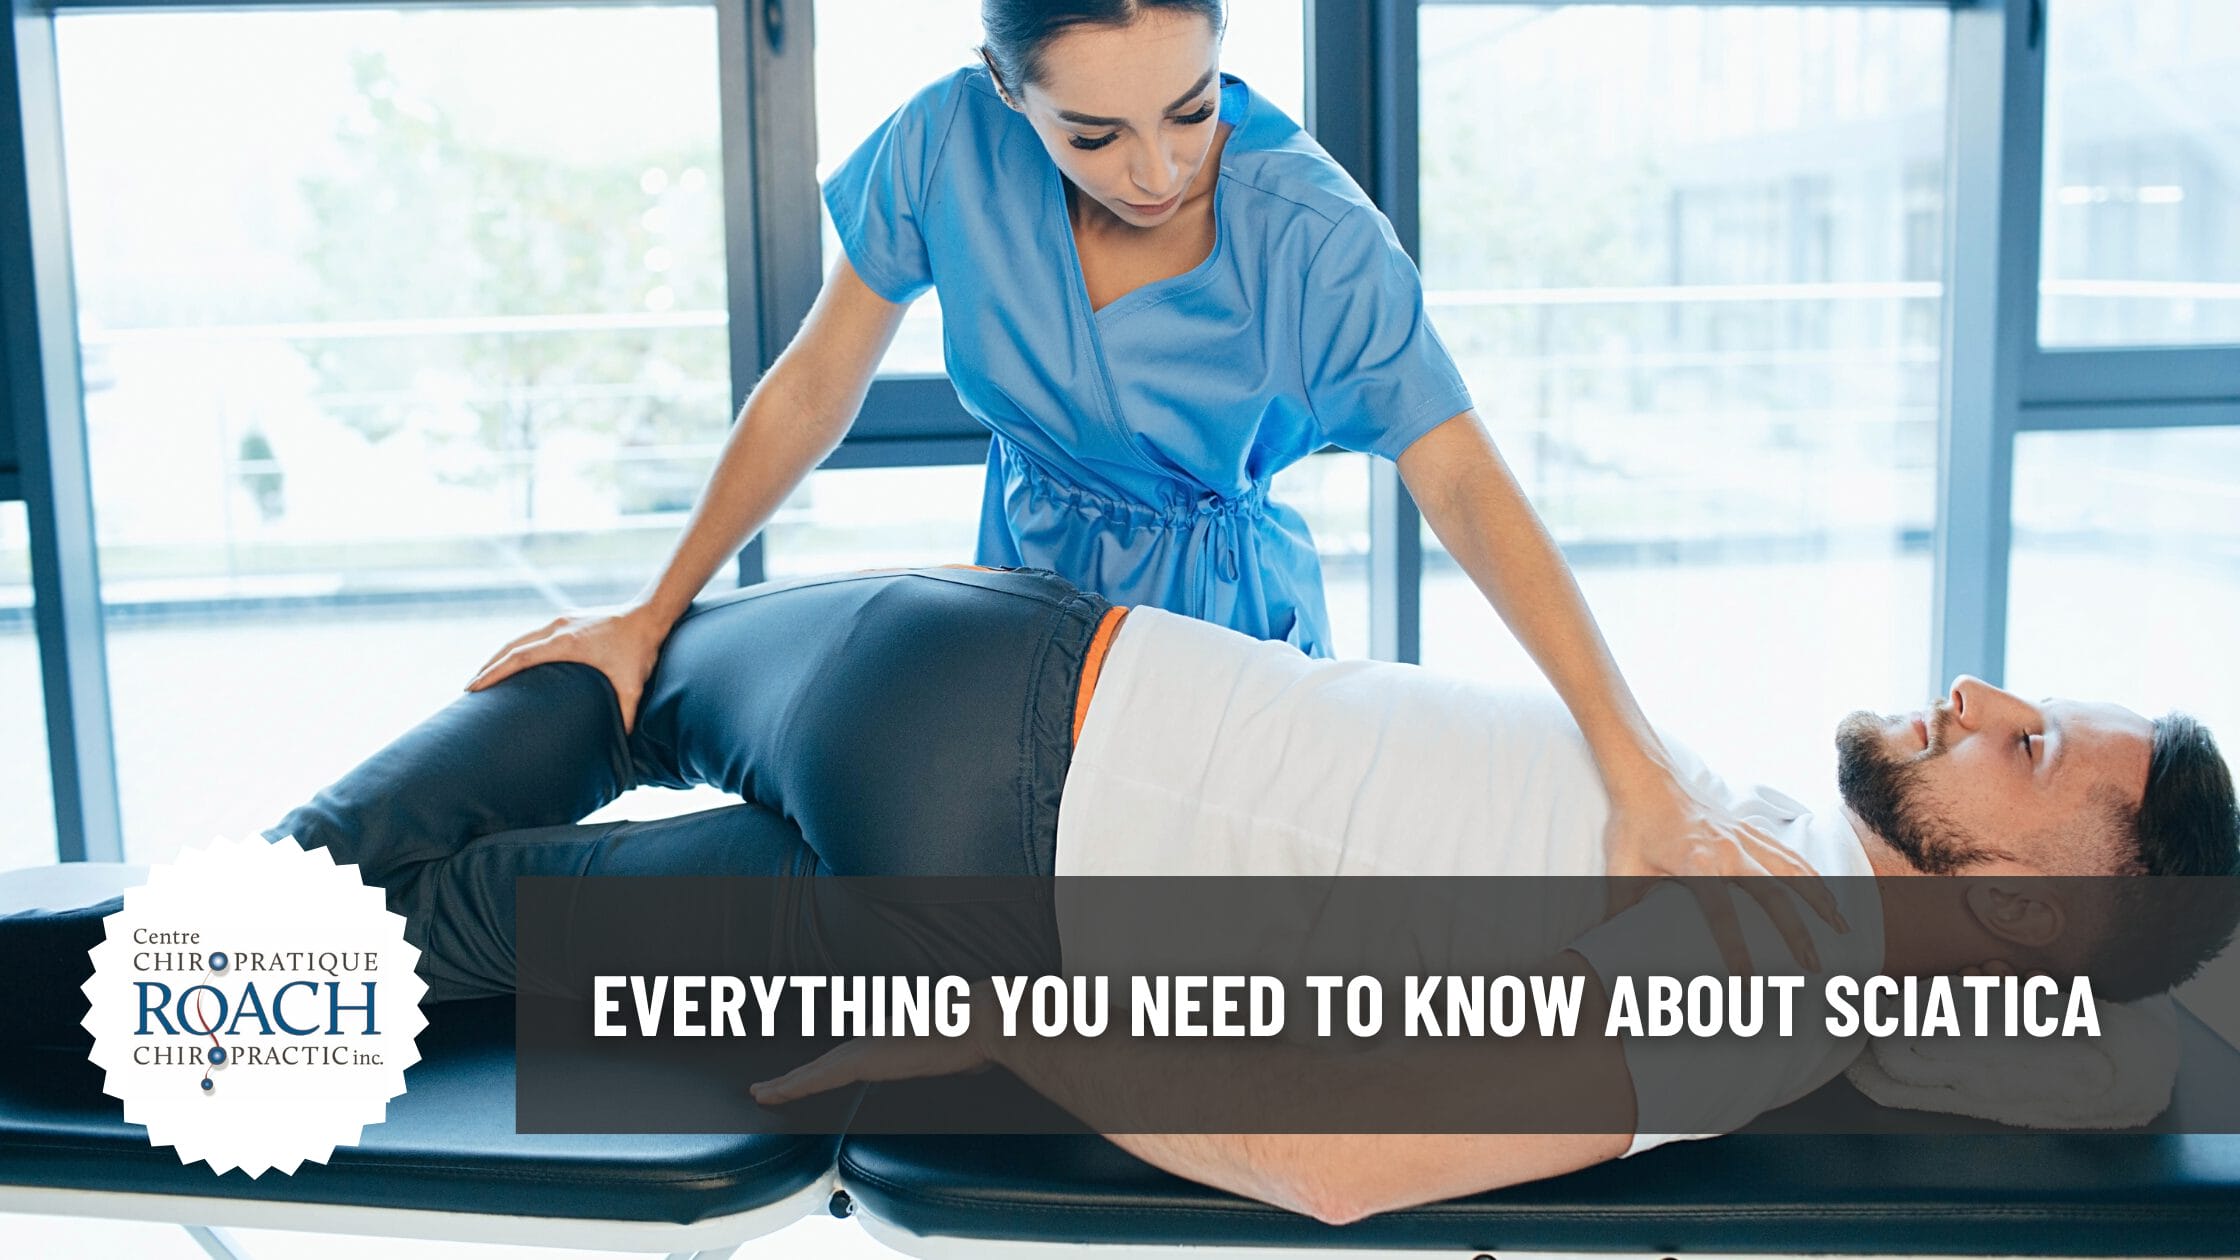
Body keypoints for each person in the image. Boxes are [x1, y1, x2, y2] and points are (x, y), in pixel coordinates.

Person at [6, 567, 2235, 1216]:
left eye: (2041, 752)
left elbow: (1344, 1163)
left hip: (989, 785)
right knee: (516, 824)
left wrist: (1012, 1027)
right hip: (997, 699)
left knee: (515, 838)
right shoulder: (1768, 848)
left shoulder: (1782, 990)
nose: (1984, 694)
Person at [459, 0, 1826, 906]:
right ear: (1008, 94)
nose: (1161, 170)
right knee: (920, 877)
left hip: (1221, 625)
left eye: (1192, 105)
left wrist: (1633, 766)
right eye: (1095, 133)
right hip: (1019, 593)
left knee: (1171, 928)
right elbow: (818, 378)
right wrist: (654, 608)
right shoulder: (947, 144)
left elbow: (1463, 482)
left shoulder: (1308, 229)